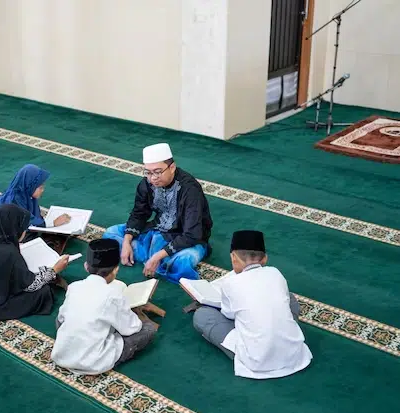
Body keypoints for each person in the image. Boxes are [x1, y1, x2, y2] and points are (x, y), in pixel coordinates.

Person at [192, 230, 313, 379]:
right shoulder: (275, 273)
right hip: (295, 355)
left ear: (234, 258)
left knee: (202, 315)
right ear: (265, 259)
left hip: (257, 361)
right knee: (290, 298)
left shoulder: (230, 283)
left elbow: (228, 314)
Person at [103, 143, 213, 283]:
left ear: (172, 167)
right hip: (157, 230)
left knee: (184, 262)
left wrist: (157, 256)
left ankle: (151, 256)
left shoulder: (190, 190)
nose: (153, 178)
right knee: (111, 233)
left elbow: (192, 233)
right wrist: (126, 242)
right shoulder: (147, 183)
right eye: (148, 172)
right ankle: (151, 256)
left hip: (186, 238)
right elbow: (139, 214)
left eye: (158, 171)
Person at [51, 238, 158, 375]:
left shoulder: (74, 287)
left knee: (64, 318)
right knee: (148, 329)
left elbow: (61, 319)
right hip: (94, 362)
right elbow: (132, 328)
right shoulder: (113, 295)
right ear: (116, 270)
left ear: (86, 266)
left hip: (62, 355)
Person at [0, 204, 70, 321]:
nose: (25, 231)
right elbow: (31, 285)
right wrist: (54, 270)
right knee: (43, 293)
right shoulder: (8, 251)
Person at [0, 164, 71, 229]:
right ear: (30, 185)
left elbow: (33, 217)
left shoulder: (27, 194)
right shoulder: (14, 200)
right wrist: (53, 223)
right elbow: (27, 220)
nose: (43, 190)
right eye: (40, 187)